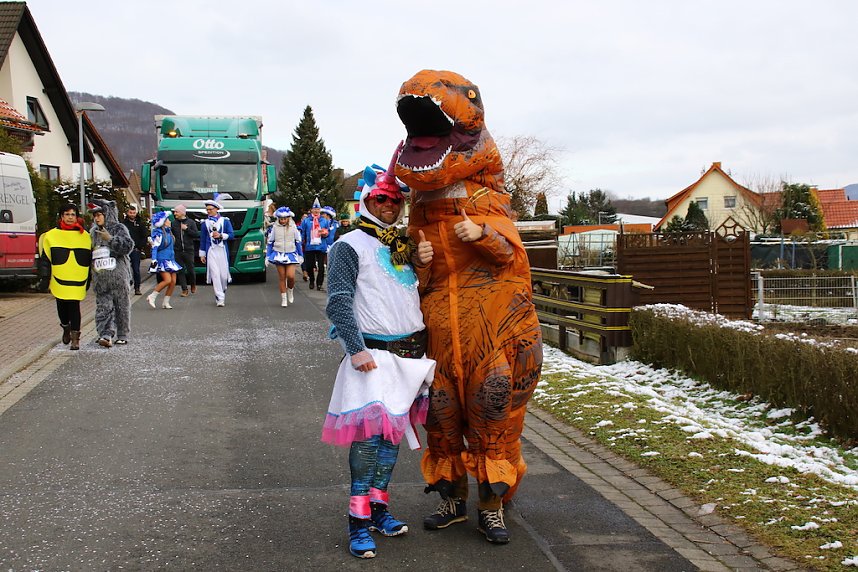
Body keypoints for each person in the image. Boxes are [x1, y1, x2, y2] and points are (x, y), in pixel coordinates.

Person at [395, 70, 543, 544]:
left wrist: (484, 237)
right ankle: (453, 500)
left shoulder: (486, 197)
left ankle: (492, 505)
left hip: (493, 332)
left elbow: (515, 262)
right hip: (441, 330)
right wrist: (418, 262)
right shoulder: (420, 208)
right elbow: (418, 282)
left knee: (492, 409)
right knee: (440, 413)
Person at [324, 162, 435, 559]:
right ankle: (357, 521)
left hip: (409, 356)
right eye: (381, 199)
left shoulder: (400, 244)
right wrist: (355, 349)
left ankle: (379, 508)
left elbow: (404, 293)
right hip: (372, 357)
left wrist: (422, 261)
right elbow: (337, 302)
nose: (390, 206)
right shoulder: (348, 245)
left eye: (396, 200)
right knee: (368, 441)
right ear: (366, 200)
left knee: (390, 440)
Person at [37, 203, 91, 350]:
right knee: (62, 307)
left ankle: (75, 339)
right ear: (61, 216)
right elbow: (45, 259)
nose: (70, 217)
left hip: (78, 278)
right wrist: (44, 278)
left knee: (74, 307)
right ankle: (66, 327)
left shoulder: (85, 236)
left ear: (77, 217)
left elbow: (90, 259)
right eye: (67, 214)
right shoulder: (51, 235)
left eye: (73, 214)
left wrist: (90, 278)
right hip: (59, 278)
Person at [88, 200, 134, 347]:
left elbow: (128, 246)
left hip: (118, 277)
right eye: (95, 215)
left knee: (121, 306)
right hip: (101, 278)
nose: (97, 218)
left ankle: (122, 334)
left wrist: (111, 240)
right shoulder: (93, 232)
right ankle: (105, 334)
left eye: (99, 214)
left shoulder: (119, 228)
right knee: (103, 307)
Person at [265, 206, 303, 307]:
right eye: (281, 219)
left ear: (288, 218)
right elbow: (270, 242)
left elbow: (298, 242)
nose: (283, 221)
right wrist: (267, 256)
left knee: (290, 276)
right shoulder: (274, 228)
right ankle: (284, 298)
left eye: (285, 219)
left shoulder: (293, 227)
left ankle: (290, 290)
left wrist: (300, 255)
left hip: (291, 253)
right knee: (282, 277)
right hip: (279, 253)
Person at [199, 197, 234, 307]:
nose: (208, 211)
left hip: (222, 250)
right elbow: (203, 239)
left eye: (210, 209)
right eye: (207, 209)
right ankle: (220, 298)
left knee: (223, 275)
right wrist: (202, 253)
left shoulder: (225, 221)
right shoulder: (205, 223)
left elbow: (232, 235)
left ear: (216, 209)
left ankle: (222, 290)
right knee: (214, 274)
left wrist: (221, 235)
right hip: (211, 250)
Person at [146, 211, 182, 309]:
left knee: (173, 281)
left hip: (170, 259)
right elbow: (155, 248)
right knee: (167, 280)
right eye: (168, 219)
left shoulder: (168, 232)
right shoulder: (159, 233)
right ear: (163, 222)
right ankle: (152, 296)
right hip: (162, 259)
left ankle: (166, 302)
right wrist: (154, 260)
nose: (170, 221)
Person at [300, 197, 332, 291]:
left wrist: (325, 233)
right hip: (310, 246)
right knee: (309, 265)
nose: (316, 211)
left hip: (321, 246)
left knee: (321, 266)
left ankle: (319, 283)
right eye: (315, 209)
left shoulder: (324, 221)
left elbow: (327, 232)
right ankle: (312, 280)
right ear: (311, 210)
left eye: (318, 209)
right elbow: (303, 232)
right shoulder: (306, 221)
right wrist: (301, 242)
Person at [171, 204, 200, 297]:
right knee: (180, 270)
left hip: (189, 250)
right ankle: (184, 289)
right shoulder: (174, 223)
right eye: (174, 212)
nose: (175, 213)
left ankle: (193, 284)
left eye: (177, 212)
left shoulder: (191, 222)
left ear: (182, 212)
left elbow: (196, 234)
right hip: (178, 250)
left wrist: (187, 229)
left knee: (191, 270)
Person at [121, 204, 148, 295]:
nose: (132, 214)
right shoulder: (123, 224)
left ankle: (137, 288)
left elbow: (144, 236)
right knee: (126, 269)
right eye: (130, 213)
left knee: (136, 269)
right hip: (126, 250)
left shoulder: (140, 223)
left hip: (136, 250)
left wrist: (140, 246)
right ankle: (127, 285)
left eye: (133, 213)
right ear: (127, 213)